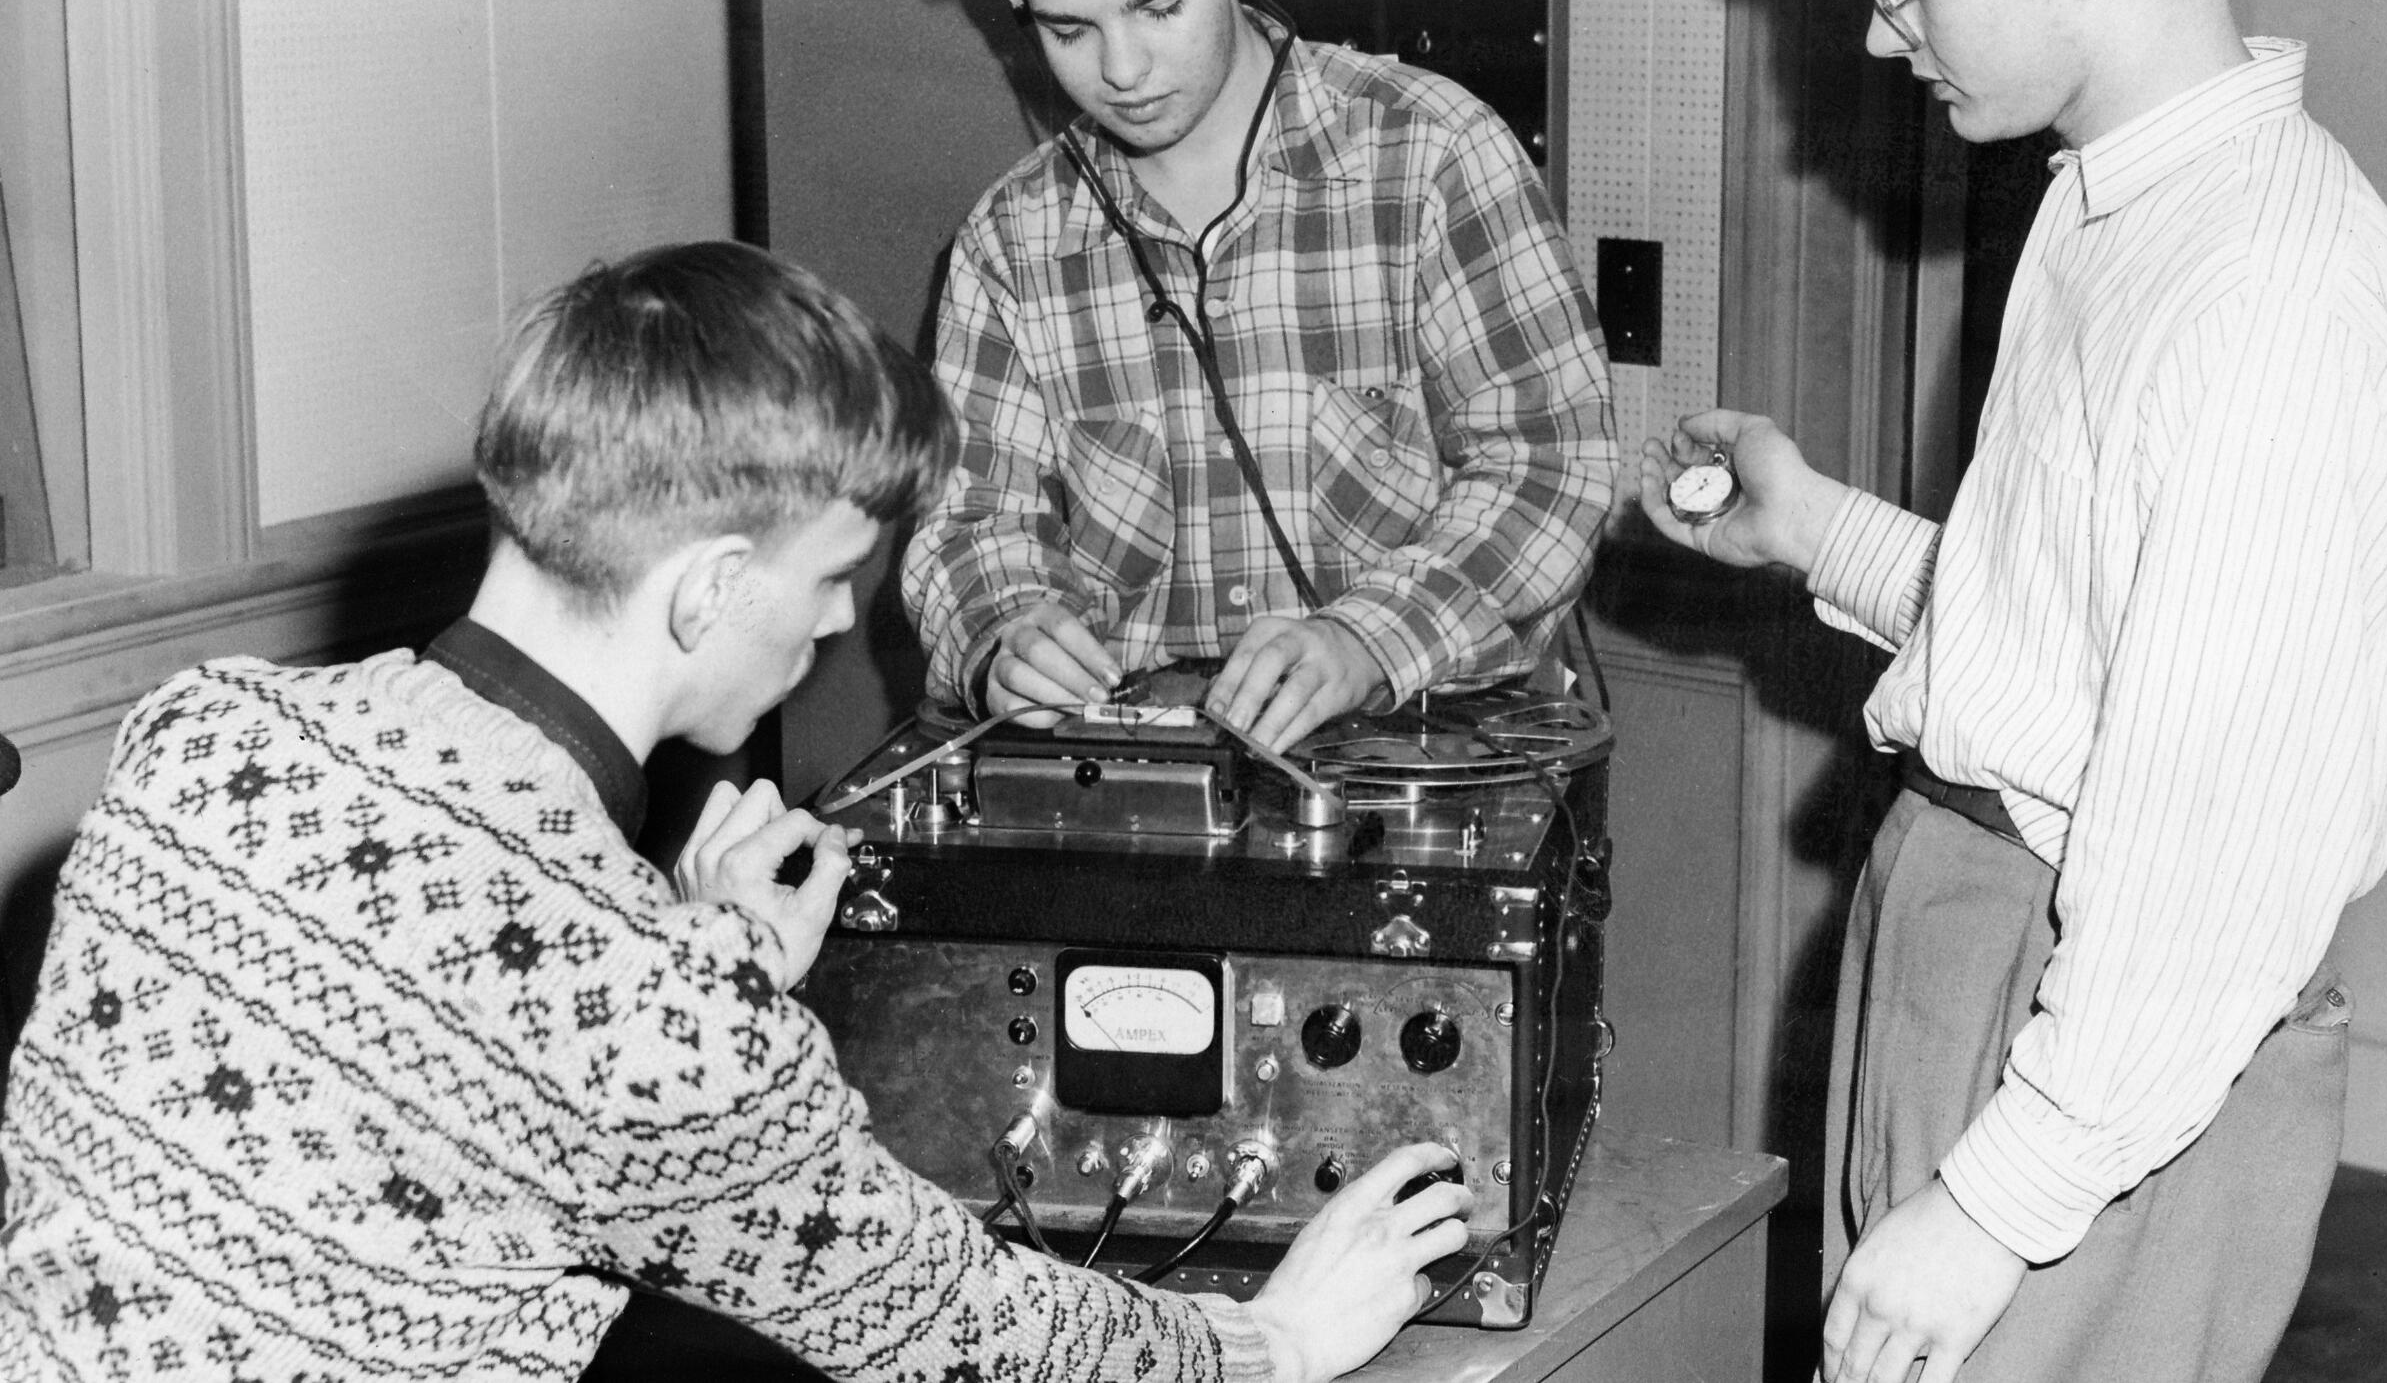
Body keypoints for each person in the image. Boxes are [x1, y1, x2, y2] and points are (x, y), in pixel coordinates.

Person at [0, 241, 1471, 1382]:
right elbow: (962, 1336)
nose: (840, 623)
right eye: (832, 576)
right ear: (708, 586)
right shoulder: (658, 1030)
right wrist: (1270, 1339)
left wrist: (698, 952)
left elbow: (441, 1047)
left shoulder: (193, 740)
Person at [1641, 0, 2387, 1381]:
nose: (1877, 36)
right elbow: (2077, 639)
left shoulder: (2266, 295)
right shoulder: (2116, 204)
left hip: (2091, 1015)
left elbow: (2213, 852)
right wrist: (1812, 528)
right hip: (1994, 948)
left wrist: (1999, 1204)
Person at [905, 0, 1621, 753]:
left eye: (1159, 6)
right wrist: (1003, 635)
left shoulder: (1431, 154)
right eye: (1070, 27)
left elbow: (1552, 468)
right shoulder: (1009, 243)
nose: (1121, 70)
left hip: (1417, 753)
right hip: (1138, 780)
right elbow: (970, 524)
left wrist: (1365, 641)